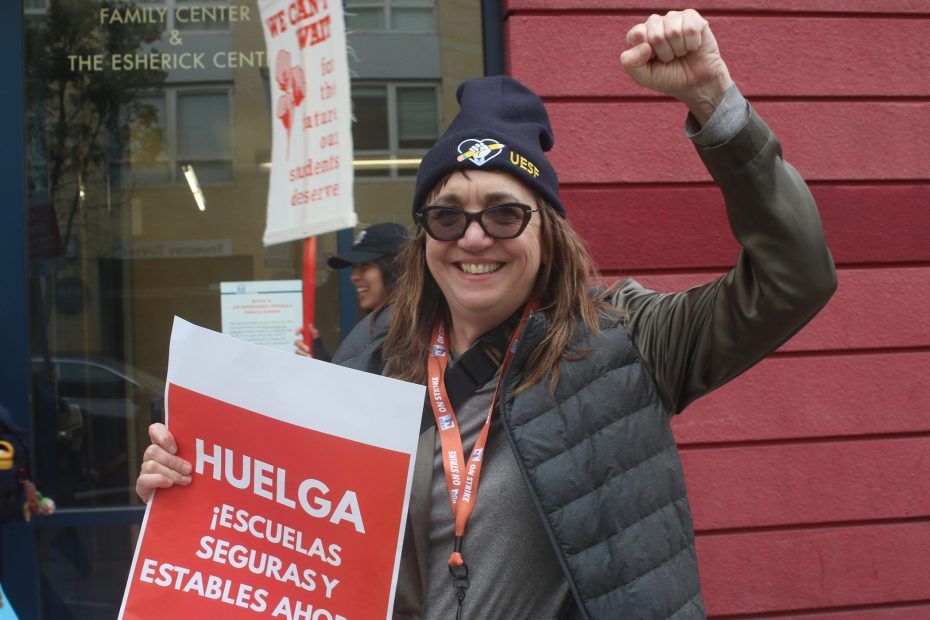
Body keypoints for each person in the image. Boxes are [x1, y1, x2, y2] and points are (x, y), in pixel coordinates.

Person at [137, 9, 836, 619]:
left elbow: (793, 278)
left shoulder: (625, 340)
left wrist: (716, 104)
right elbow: (287, 530)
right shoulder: (373, 360)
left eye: (504, 212)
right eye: (448, 215)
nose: (474, 237)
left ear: (547, 230)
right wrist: (191, 489)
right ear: (425, 236)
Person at [294, 221, 407, 360]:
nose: (354, 276)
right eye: (354, 267)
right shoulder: (384, 323)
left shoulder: (410, 330)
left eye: (365, 266)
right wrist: (318, 357)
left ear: (395, 267)